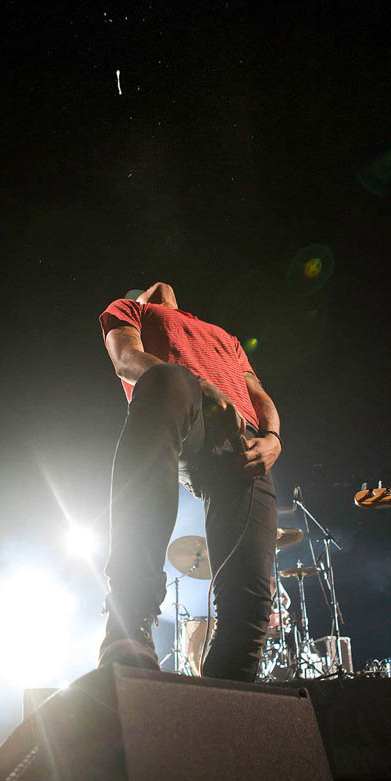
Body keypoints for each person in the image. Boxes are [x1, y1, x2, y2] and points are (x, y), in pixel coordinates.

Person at [98, 282, 282, 682]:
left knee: (250, 602)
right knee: (169, 379)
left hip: (244, 440)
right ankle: (128, 621)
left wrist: (273, 437)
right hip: (189, 408)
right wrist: (202, 386)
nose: (158, 284)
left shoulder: (225, 338)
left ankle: (227, 701)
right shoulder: (133, 309)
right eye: (147, 287)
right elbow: (126, 358)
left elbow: (258, 392)